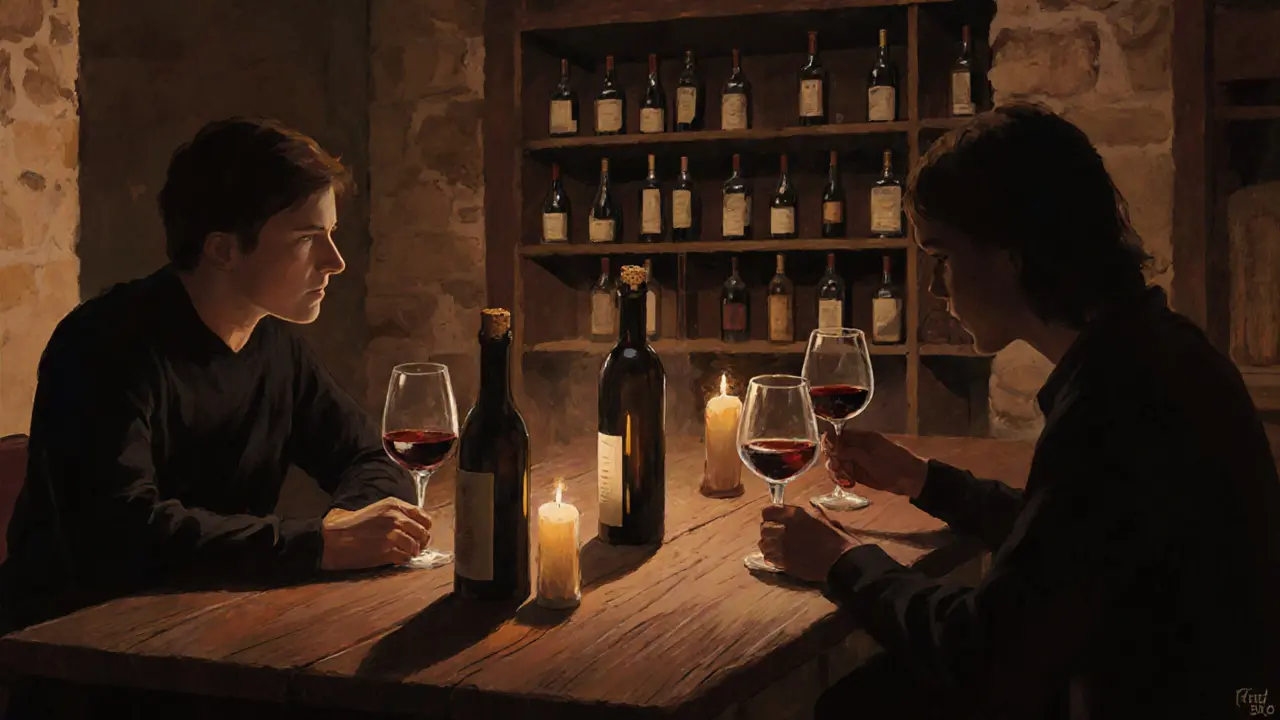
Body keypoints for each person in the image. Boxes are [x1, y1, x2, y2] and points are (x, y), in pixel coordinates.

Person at [759, 103, 1280, 719]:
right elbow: (1070, 548)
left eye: (943, 256)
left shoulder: (1115, 402)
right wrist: (922, 480)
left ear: (1012, 251)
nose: (934, 288)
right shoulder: (1154, 352)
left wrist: (841, 561)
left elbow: (987, 651)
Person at [0, 118, 433, 636]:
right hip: (72, 645)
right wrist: (318, 545)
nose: (335, 262)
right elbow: (120, 535)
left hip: (206, 623)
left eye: (332, 235)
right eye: (307, 238)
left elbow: (371, 457)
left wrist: (351, 525)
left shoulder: (276, 348)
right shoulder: (103, 344)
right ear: (222, 250)